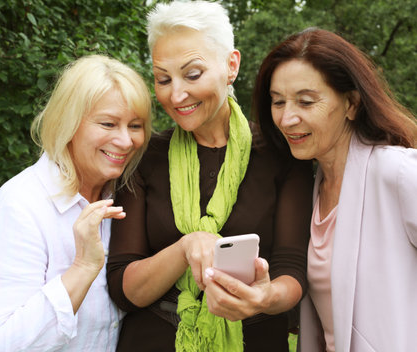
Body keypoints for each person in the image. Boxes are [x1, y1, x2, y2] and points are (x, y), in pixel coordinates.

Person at [106, 1, 314, 351]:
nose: (176, 95)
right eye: (163, 79)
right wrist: (185, 248)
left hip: (256, 339)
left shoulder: (281, 155)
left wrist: (266, 296)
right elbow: (123, 287)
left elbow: (292, 267)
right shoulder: (143, 157)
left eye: (192, 74)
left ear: (231, 65)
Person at [0, 54, 152, 351]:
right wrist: (82, 267)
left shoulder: (124, 198)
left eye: (135, 125)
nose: (126, 141)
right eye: (108, 123)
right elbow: (1, 344)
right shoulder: (20, 206)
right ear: (69, 122)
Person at [253, 27, 417, 352]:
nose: (286, 118)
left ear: (352, 104)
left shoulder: (397, 172)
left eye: (306, 101)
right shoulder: (313, 187)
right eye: (278, 102)